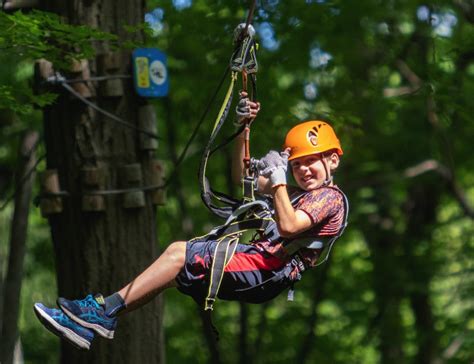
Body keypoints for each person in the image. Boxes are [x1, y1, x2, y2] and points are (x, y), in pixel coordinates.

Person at [33, 93, 348, 350]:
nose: (303, 170)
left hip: (268, 269)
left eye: (311, 162)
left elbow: (291, 227)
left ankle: (102, 313)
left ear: (332, 159)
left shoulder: (330, 199)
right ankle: (94, 320)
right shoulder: (293, 193)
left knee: (178, 253)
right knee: (171, 272)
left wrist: (279, 180)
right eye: (297, 165)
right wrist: (244, 129)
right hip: (261, 268)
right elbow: (245, 178)